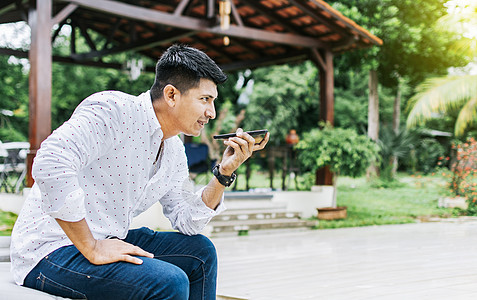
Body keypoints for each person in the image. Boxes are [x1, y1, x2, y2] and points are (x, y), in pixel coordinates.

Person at [10, 44, 269, 300]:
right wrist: (91, 246)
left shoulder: (174, 150)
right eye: (205, 100)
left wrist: (223, 173)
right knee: (170, 282)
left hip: (108, 239)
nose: (211, 113)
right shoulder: (112, 110)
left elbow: (188, 220)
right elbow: (50, 161)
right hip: (50, 250)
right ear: (171, 95)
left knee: (200, 253)